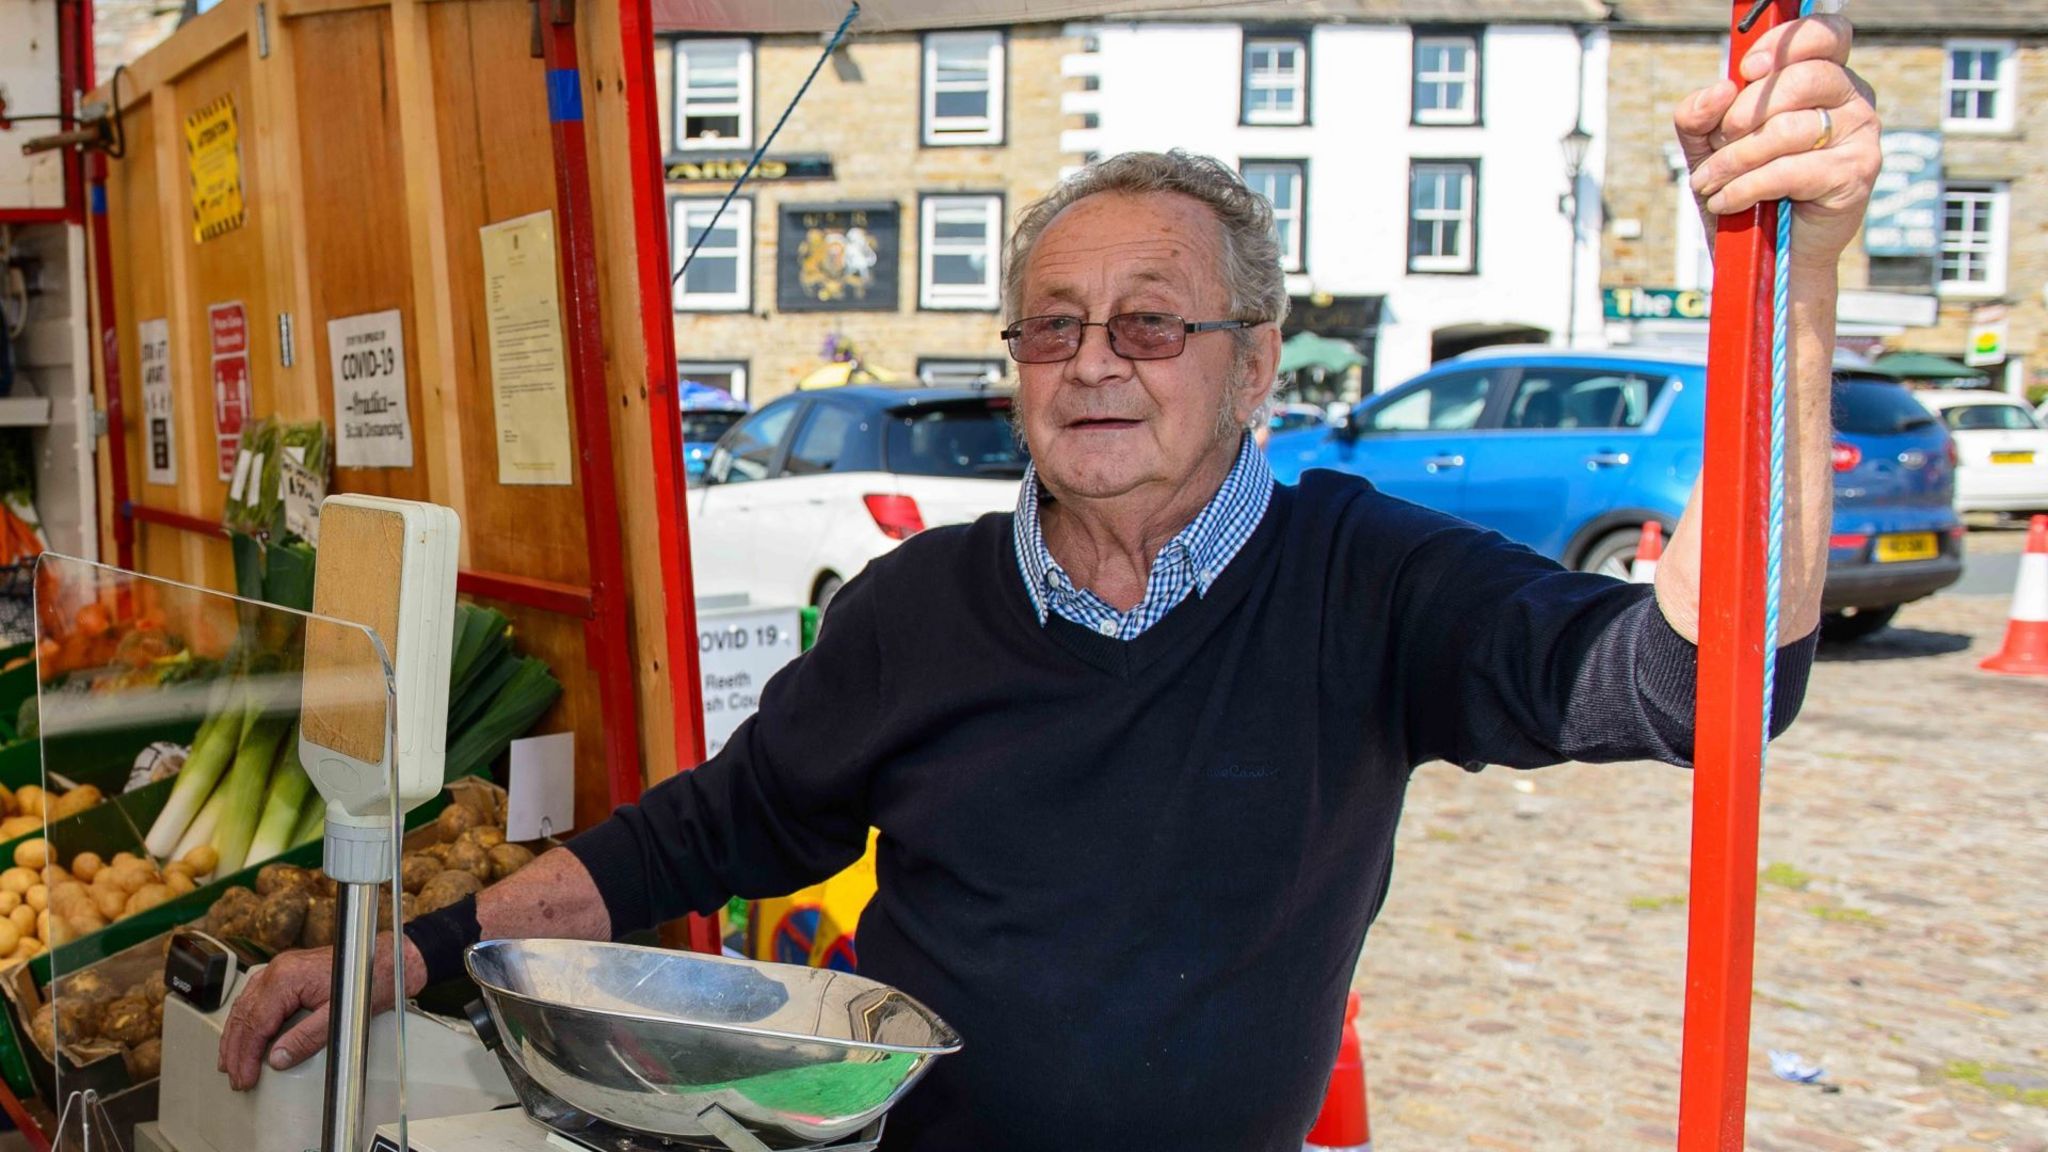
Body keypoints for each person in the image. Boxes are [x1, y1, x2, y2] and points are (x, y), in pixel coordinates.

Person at [222, 15, 1880, 1150]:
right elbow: (706, 831)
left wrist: (1789, 287)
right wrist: (401, 953)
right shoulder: (916, 603)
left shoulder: (1363, 584)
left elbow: (1706, 683)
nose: (1094, 363)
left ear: (1254, 369)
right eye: (1052, 325)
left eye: (1153, 323)